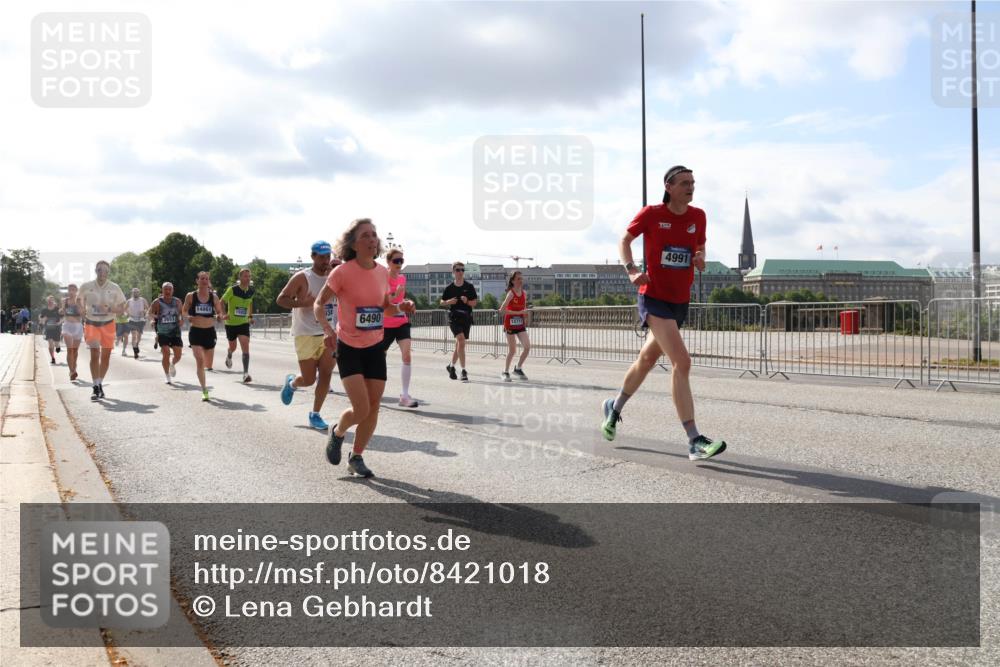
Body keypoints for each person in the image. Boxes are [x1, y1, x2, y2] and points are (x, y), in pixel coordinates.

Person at [601, 165, 727, 461]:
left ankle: (613, 408)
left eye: (692, 182)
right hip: (653, 298)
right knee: (682, 362)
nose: (690, 187)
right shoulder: (652, 214)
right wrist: (632, 270)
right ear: (668, 187)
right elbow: (624, 240)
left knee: (646, 360)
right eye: (684, 183)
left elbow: (700, 246)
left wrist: (700, 257)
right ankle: (694, 439)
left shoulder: (698, 216)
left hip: (679, 301)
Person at [315, 218, 415, 478]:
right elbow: (319, 303)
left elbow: (384, 308)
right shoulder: (342, 272)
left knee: (374, 406)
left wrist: (401, 307)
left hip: (374, 346)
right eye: (365, 236)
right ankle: (338, 431)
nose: (372, 239)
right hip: (348, 346)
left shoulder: (382, 273)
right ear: (353, 244)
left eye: (374, 234)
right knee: (361, 409)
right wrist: (327, 330)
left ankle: (356, 456)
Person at [277, 243, 339, 430]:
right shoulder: (302, 277)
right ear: (313, 257)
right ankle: (292, 383)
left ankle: (315, 414)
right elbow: (281, 299)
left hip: (328, 332)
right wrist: (302, 303)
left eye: (328, 256)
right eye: (321, 257)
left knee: (326, 374)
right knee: (309, 379)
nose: (325, 261)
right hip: (305, 334)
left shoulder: (335, 277)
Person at [78, 260, 127, 401]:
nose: (102, 273)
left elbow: (122, 307)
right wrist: (81, 309)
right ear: (95, 271)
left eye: (105, 270)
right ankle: (95, 386)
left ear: (108, 272)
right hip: (91, 324)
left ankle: (99, 383)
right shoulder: (86, 286)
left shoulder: (115, 287)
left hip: (108, 324)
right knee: (94, 354)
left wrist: (110, 309)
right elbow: (79, 300)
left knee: (105, 357)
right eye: (99, 270)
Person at [381, 248, 418, 407]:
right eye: (396, 261)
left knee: (407, 355)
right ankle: (375, 389)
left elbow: (401, 300)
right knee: (379, 358)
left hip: (401, 321)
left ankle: (404, 395)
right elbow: (384, 302)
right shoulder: (382, 278)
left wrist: (409, 303)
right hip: (385, 323)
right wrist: (395, 295)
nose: (399, 264)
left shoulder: (402, 278)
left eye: (401, 261)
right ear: (388, 262)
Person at [182, 271, 225, 401]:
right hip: (195, 331)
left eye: (206, 279)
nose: (204, 281)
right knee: (200, 361)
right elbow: (184, 311)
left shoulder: (214, 297)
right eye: (202, 279)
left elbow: (219, 312)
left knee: (208, 363)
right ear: (197, 281)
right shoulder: (191, 296)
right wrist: (188, 316)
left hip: (209, 332)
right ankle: (204, 389)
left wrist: (219, 317)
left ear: (209, 281)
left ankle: (204, 381)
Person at [440, 261, 477, 382]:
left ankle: (451, 366)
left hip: (466, 318)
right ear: (453, 271)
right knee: (461, 340)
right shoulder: (449, 288)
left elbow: (474, 303)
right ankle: (463, 370)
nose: (460, 272)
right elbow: (441, 302)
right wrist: (449, 302)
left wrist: (467, 301)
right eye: (458, 270)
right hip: (454, 318)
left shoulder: (469, 286)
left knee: (459, 344)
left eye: (462, 270)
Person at [221, 268, 255, 383]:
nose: (248, 278)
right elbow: (222, 301)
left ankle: (245, 373)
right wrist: (224, 314)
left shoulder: (251, 291)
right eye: (245, 276)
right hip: (231, 324)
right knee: (233, 347)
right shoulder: (232, 289)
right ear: (240, 277)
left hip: (243, 323)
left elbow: (250, 303)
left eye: (249, 276)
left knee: (245, 346)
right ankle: (229, 354)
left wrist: (250, 317)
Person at [498, 270, 531, 381]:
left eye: (521, 278)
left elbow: (523, 308)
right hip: (510, 324)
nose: (521, 281)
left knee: (527, 347)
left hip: (520, 324)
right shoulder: (511, 293)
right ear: (512, 281)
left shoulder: (524, 293)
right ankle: (505, 371)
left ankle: (518, 368)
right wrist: (518, 312)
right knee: (512, 351)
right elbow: (502, 310)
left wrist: (525, 316)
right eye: (518, 279)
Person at [148, 283, 184, 384]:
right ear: (162, 290)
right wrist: (152, 320)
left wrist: (181, 320)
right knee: (166, 352)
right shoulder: (157, 302)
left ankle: (172, 364)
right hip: (162, 331)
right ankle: (167, 376)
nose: (167, 291)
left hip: (175, 331)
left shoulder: (177, 301)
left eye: (169, 289)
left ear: (172, 290)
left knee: (178, 355)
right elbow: (149, 313)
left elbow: (181, 313)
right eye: (165, 289)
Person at [60, 285, 84, 381]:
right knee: (70, 350)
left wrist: (79, 304)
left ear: (76, 291)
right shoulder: (64, 301)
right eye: (70, 290)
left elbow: (83, 313)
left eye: (73, 290)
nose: (71, 292)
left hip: (78, 326)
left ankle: (74, 367)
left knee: (75, 351)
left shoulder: (80, 300)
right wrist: (61, 310)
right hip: (67, 326)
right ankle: (72, 371)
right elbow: (62, 312)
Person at [125, 288, 149, 359]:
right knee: (133, 336)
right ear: (132, 293)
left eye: (137, 292)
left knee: (139, 336)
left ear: (139, 293)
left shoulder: (142, 300)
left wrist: (144, 312)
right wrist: (128, 313)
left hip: (140, 319)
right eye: (134, 292)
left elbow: (148, 308)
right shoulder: (129, 301)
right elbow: (125, 309)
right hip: (132, 319)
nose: (135, 293)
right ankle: (135, 352)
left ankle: (137, 345)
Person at [39, 296, 63, 365]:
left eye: (51, 301)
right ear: (47, 302)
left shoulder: (58, 309)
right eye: (49, 301)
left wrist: (59, 322)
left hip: (56, 329)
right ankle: (52, 358)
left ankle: (58, 347)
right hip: (48, 329)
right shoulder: (44, 310)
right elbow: (40, 318)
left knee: (56, 343)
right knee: (50, 343)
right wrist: (43, 319)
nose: (50, 302)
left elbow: (63, 318)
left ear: (53, 301)